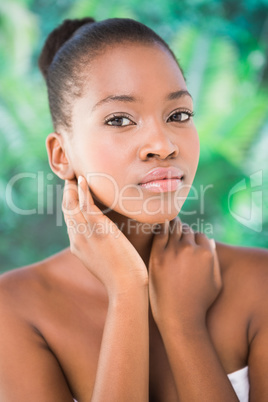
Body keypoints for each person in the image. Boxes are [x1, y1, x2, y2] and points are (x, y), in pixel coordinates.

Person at [0, 16, 267, 402]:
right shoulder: (15, 308)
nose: (162, 144)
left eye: (179, 115)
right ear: (61, 156)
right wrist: (127, 291)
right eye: (120, 119)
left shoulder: (261, 283)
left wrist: (184, 326)